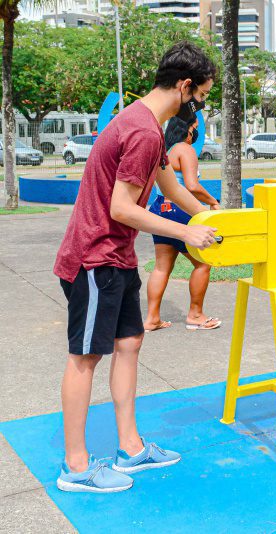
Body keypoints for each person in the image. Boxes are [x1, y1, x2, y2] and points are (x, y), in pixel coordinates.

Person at [53, 41, 218, 493]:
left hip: (118, 258)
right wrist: (186, 233)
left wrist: (213, 220)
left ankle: (131, 448)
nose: (200, 107)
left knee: (129, 345)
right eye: (201, 96)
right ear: (184, 87)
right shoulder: (144, 131)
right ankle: (76, 467)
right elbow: (122, 207)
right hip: (93, 258)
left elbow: (173, 189)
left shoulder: (147, 124)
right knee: (84, 357)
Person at [145, 117, 222, 332]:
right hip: (180, 209)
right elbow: (191, 185)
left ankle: (152, 318)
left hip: (160, 208)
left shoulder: (167, 152)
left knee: (161, 267)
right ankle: (196, 315)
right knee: (202, 264)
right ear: (186, 128)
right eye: (194, 128)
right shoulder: (185, 149)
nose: (195, 133)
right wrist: (213, 202)